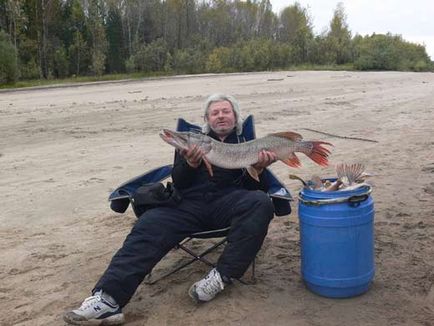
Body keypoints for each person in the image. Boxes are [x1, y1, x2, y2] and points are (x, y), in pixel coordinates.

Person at [63, 94, 279, 325]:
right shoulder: (193, 140)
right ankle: (108, 299)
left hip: (228, 203)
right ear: (207, 119)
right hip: (187, 204)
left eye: (226, 111)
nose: (221, 116)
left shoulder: (246, 144)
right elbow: (179, 181)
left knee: (260, 202)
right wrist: (190, 164)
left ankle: (221, 276)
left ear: (235, 117)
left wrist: (259, 167)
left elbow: (252, 187)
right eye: (215, 113)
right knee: (149, 224)